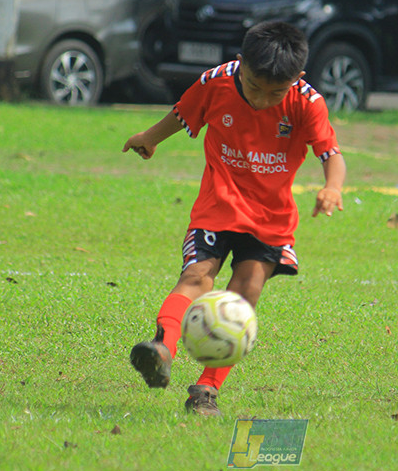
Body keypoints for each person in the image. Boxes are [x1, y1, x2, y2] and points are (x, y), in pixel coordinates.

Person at [122, 20, 347, 416]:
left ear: (298, 78)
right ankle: (161, 348)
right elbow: (182, 113)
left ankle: (205, 391)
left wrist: (333, 187)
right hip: (217, 204)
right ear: (240, 63)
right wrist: (150, 138)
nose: (262, 99)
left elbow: (331, 153)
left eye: (274, 92)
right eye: (254, 86)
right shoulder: (217, 81)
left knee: (247, 292)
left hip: (270, 219)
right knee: (195, 277)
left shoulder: (307, 102)